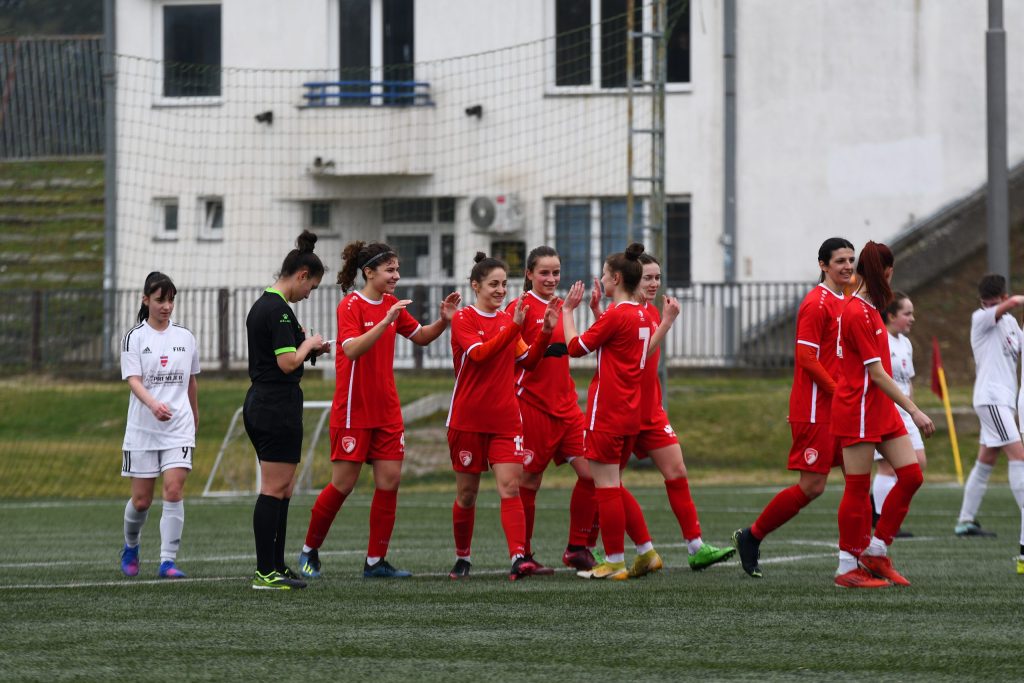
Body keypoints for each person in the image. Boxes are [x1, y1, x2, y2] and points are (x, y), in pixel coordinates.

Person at [297, 241, 460, 579]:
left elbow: (421, 336)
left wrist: (444, 322)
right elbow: (353, 349)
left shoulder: (391, 305)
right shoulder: (351, 305)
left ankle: (375, 561)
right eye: (390, 270)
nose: (396, 276)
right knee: (342, 484)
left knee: (390, 482)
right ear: (369, 272)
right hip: (354, 411)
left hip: (386, 411)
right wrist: (386, 321)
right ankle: (309, 550)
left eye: (397, 269)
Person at [733, 238, 855, 578]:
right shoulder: (816, 303)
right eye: (840, 260)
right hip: (816, 409)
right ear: (823, 265)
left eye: (851, 259)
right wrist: (837, 390)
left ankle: (860, 556)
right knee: (812, 487)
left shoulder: (845, 301)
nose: (847, 265)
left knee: (858, 479)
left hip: (842, 408)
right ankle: (752, 535)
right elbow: (806, 357)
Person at [619, 253, 736, 573]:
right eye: (647, 278)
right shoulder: (624, 313)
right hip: (621, 412)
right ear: (631, 279)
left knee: (677, 471)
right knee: (605, 482)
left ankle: (696, 547)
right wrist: (668, 322)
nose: (654, 283)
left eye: (657, 277)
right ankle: (636, 549)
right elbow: (636, 357)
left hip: (651, 411)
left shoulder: (652, 310)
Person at [446, 252, 556, 581]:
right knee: (467, 494)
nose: (500, 290)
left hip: (506, 420)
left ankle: (518, 558)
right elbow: (479, 355)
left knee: (510, 488)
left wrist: (546, 333)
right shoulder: (463, 319)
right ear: (475, 286)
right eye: (493, 284)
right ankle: (462, 557)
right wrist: (516, 328)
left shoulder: (510, 322)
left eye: (504, 284)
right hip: (467, 420)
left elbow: (529, 361)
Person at [831, 241, 933, 587]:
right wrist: (915, 410)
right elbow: (876, 374)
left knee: (912, 475)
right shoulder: (856, 312)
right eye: (891, 270)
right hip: (857, 407)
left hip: (880, 408)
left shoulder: (872, 309)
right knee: (858, 489)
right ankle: (846, 568)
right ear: (884, 271)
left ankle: (876, 550)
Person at [562, 242, 656, 580]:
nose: (600, 279)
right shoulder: (642, 313)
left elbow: (575, 348)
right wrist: (598, 311)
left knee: (606, 488)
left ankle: (614, 561)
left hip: (607, 413)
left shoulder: (618, 315)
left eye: (604, 274)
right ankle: (641, 552)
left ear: (616, 278)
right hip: (631, 413)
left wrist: (568, 312)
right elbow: (617, 339)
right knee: (613, 484)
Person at [244, 230, 330, 590]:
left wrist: (312, 349)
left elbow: (292, 354)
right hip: (273, 404)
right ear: (301, 276)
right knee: (273, 487)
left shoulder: (270, 307)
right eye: (311, 287)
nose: (309, 294)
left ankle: (276, 565)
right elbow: (284, 363)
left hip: (272, 403)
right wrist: (307, 344)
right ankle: (265, 571)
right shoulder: (277, 310)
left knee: (285, 488)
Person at [505, 246, 599, 574]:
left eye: (556, 272)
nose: (551, 278)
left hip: (568, 408)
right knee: (529, 482)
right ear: (529, 274)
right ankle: (524, 555)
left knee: (592, 475)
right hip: (532, 406)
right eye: (544, 272)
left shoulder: (562, 306)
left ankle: (576, 548)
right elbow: (516, 356)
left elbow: (572, 349)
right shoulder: (518, 308)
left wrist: (580, 310)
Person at [119, 271, 199, 579]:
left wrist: (194, 415)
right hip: (143, 428)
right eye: (160, 300)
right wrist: (153, 405)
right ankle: (131, 545)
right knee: (141, 501)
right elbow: (133, 380)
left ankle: (167, 561)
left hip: (178, 427)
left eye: (170, 300)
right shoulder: (135, 337)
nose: (166, 306)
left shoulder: (185, 337)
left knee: (174, 490)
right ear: (146, 300)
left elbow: (191, 381)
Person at [956, 274, 1024, 573]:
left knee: (987, 459)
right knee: (1019, 456)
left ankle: (965, 520)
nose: (990, 307)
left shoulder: (1010, 324)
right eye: (986, 303)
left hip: (1004, 400)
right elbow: (1004, 307)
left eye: (994, 302)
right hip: (991, 398)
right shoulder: (980, 318)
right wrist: (1013, 301)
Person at [870, 292, 927, 536]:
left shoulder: (905, 343)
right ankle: (883, 520)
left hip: (906, 413)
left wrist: (913, 411)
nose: (912, 318)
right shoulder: (880, 339)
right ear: (891, 315)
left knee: (918, 464)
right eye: (907, 313)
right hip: (885, 411)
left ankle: (882, 510)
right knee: (888, 469)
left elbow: (908, 382)